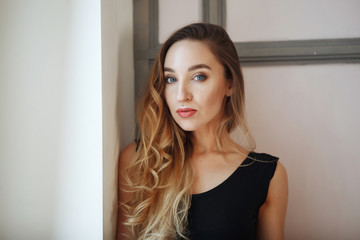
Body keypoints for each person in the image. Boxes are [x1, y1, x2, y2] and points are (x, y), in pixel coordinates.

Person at [117, 23, 288, 240]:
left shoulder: (268, 176)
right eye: (171, 79)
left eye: (198, 77)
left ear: (230, 84)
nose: (181, 95)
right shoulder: (138, 161)